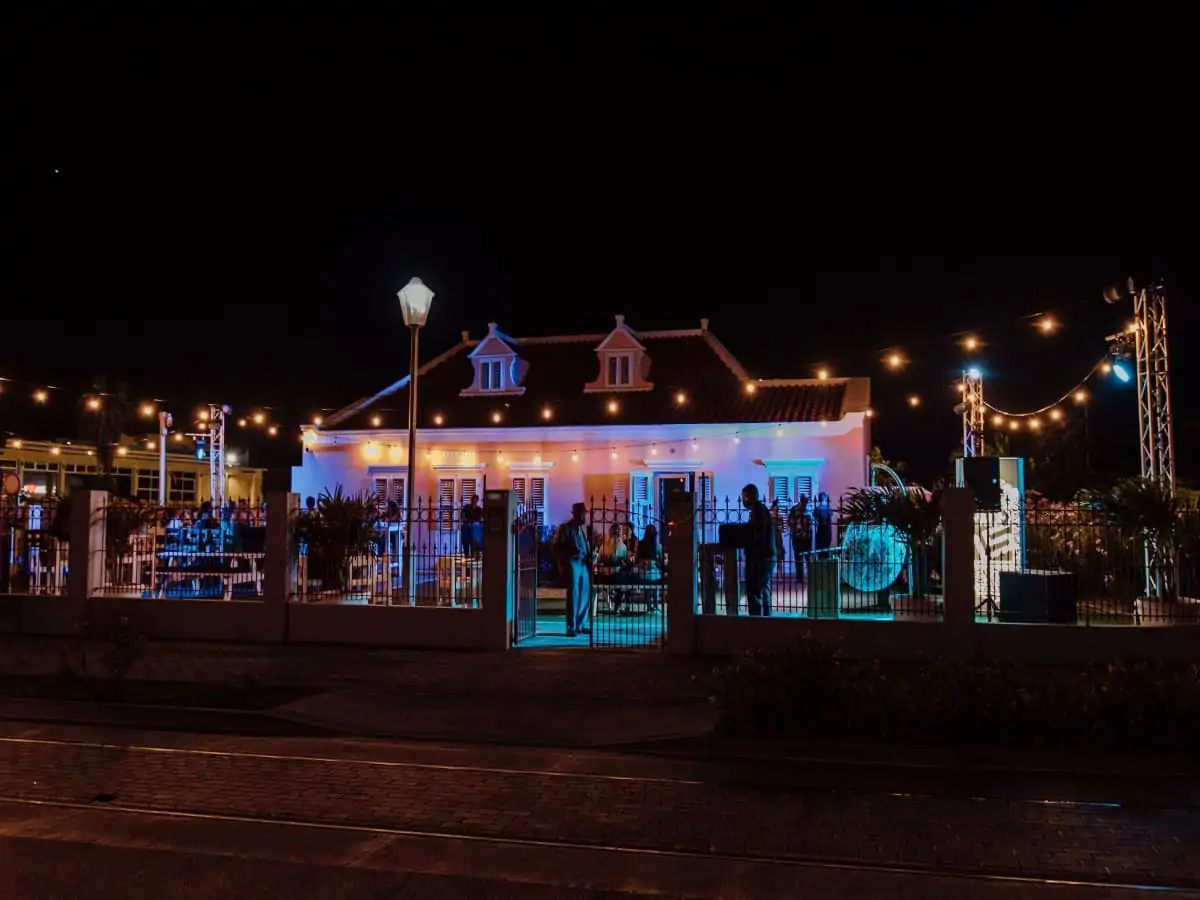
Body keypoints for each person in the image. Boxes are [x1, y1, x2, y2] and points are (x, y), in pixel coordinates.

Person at [553, 502, 592, 636]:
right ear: (576, 514)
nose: (585, 517)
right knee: (574, 595)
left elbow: (585, 547)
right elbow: (556, 547)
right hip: (573, 563)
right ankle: (572, 626)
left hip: (582, 563)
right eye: (583, 514)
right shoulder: (565, 528)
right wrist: (569, 555)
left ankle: (580, 624)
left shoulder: (582, 530)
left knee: (585, 594)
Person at [741, 484, 777, 616]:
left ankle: (756, 621)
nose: (743, 500)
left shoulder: (757, 510)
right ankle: (767, 618)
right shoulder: (761, 509)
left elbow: (757, 534)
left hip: (760, 558)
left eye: (744, 496)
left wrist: (749, 546)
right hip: (767, 556)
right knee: (764, 588)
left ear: (750, 496)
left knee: (754, 590)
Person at [788, 495, 811, 584]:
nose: (805, 503)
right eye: (804, 501)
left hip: (807, 537)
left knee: (808, 557)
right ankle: (799, 577)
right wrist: (793, 530)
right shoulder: (794, 509)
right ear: (801, 501)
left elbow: (812, 521)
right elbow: (790, 521)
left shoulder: (809, 509)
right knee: (798, 558)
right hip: (797, 537)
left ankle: (810, 576)